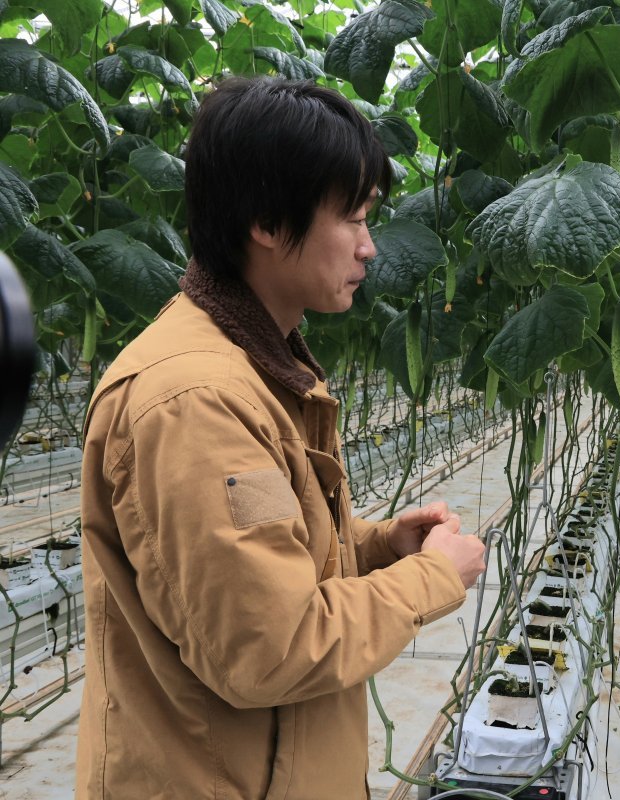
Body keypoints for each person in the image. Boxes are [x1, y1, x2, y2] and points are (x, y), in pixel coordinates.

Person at [75, 76, 486, 799]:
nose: (370, 248)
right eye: (353, 219)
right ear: (267, 219)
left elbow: (268, 551)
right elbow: (268, 645)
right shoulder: (192, 403)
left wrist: (378, 546)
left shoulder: (251, 369)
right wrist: (432, 579)